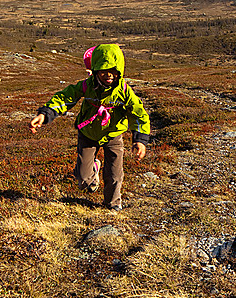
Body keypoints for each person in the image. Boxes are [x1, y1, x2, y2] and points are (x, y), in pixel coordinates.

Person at [29, 44, 150, 211]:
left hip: (113, 135)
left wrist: (140, 140)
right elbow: (65, 98)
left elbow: (139, 114)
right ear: (95, 71)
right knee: (83, 179)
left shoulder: (125, 91)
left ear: (120, 71)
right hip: (88, 134)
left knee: (114, 175)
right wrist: (45, 114)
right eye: (103, 71)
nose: (108, 75)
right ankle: (94, 169)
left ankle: (112, 206)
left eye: (113, 71)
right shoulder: (86, 86)